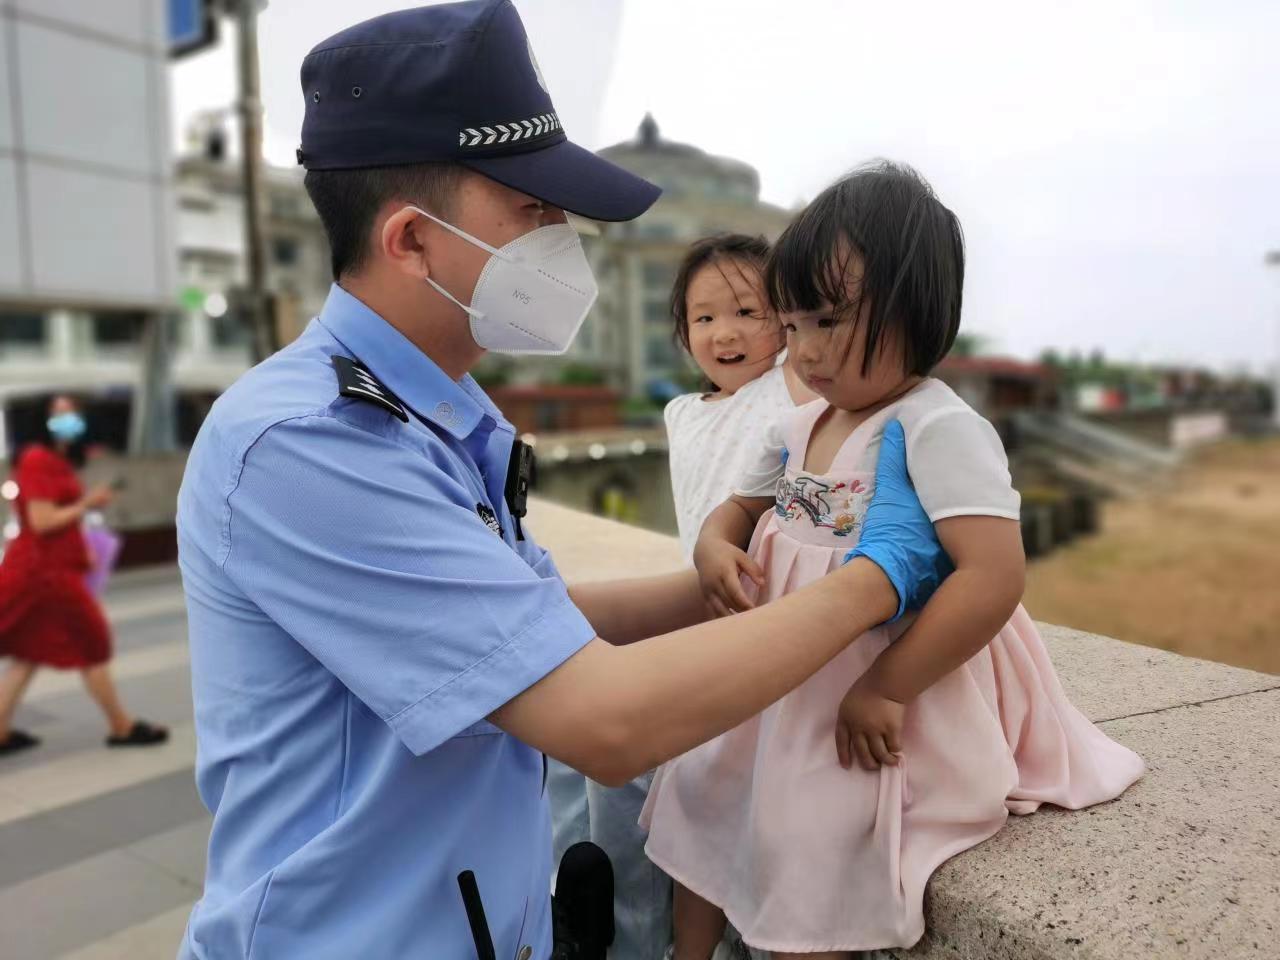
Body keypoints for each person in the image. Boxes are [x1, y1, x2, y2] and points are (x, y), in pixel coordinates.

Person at [174, 5, 953, 958]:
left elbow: (529, 620)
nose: (561, 236)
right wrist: (874, 581)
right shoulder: (308, 445)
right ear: (412, 240)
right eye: (532, 209)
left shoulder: (444, 415)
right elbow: (606, 720)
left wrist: (719, 581)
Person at [640, 162, 1146, 960]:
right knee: (700, 789)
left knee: (812, 831)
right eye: (795, 324)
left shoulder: (937, 427)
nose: (804, 353)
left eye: (830, 322)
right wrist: (712, 547)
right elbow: (738, 510)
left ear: (917, 309)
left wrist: (888, 686)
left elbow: (992, 575)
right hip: (787, 675)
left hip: (882, 673)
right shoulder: (805, 424)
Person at [551, 233, 815, 960]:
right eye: (702, 318)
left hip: (754, 628)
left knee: (654, 775)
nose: (724, 332)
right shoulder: (681, 414)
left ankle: (642, 938)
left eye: (747, 311)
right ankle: (598, 920)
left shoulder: (791, 389)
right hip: (697, 619)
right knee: (582, 751)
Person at [0, 395, 169, 756]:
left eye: (72, 413)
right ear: (41, 419)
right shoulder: (37, 459)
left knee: (29, 653)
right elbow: (42, 522)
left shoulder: (57, 460)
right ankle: (121, 726)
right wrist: (87, 504)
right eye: (59, 413)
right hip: (44, 573)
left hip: (51, 568)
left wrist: (83, 545)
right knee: (93, 642)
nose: (69, 419)